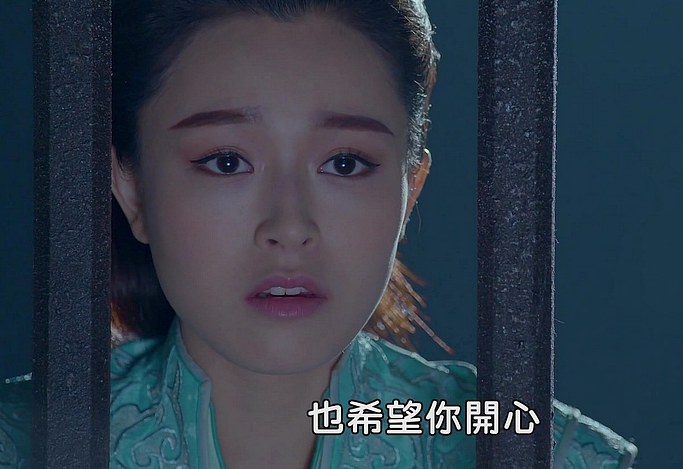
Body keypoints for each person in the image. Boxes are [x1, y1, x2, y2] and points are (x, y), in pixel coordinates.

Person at [0, 0, 638, 467]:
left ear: (409, 192)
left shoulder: (521, 447)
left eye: (345, 163)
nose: (290, 227)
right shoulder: (20, 442)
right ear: (131, 188)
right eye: (227, 161)